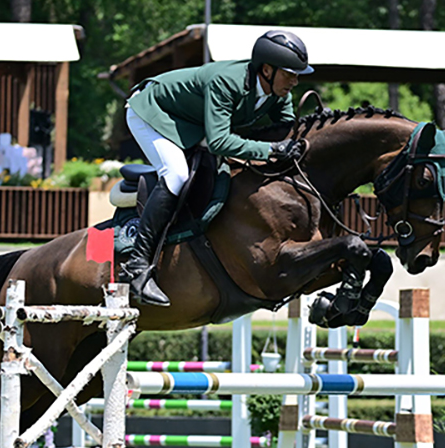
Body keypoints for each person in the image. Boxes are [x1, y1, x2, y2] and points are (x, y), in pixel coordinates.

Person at [121, 30, 314, 307]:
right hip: (153, 111)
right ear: (267, 70)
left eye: (298, 75)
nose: (295, 81)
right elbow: (219, 141)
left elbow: (285, 132)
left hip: (191, 121)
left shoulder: (278, 91)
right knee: (176, 176)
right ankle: (136, 269)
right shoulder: (226, 82)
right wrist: (270, 151)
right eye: (290, 74)